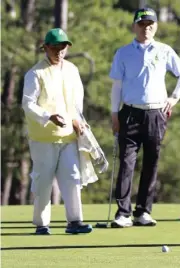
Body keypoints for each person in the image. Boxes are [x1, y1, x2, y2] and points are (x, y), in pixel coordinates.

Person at [109, 7, 180, 227]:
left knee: (151, 162)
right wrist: (114, 113)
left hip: (156, 112)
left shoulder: (164, 50)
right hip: (129, 112)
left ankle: (143, 211)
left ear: (156, 26)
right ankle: (123, 213)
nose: (146, 28)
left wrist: (173, 98)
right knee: (127, 163)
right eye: (142, 24)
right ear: (135, 26)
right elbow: (116, 85)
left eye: (150, 24)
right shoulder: (123, 52)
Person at [22, 28, 92, 235]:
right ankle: (42, 224)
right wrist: (47, 116)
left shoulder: (72, 70)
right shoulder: (35, 73)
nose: (59, 51)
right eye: (55, 47)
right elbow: (28, 104)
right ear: (45, 48)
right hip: (43, 138)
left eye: (63, 47)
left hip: (68, 136)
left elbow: (76, 101)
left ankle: (75, 221)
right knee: (43, 181)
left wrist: (78, 121)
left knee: (72, 177)